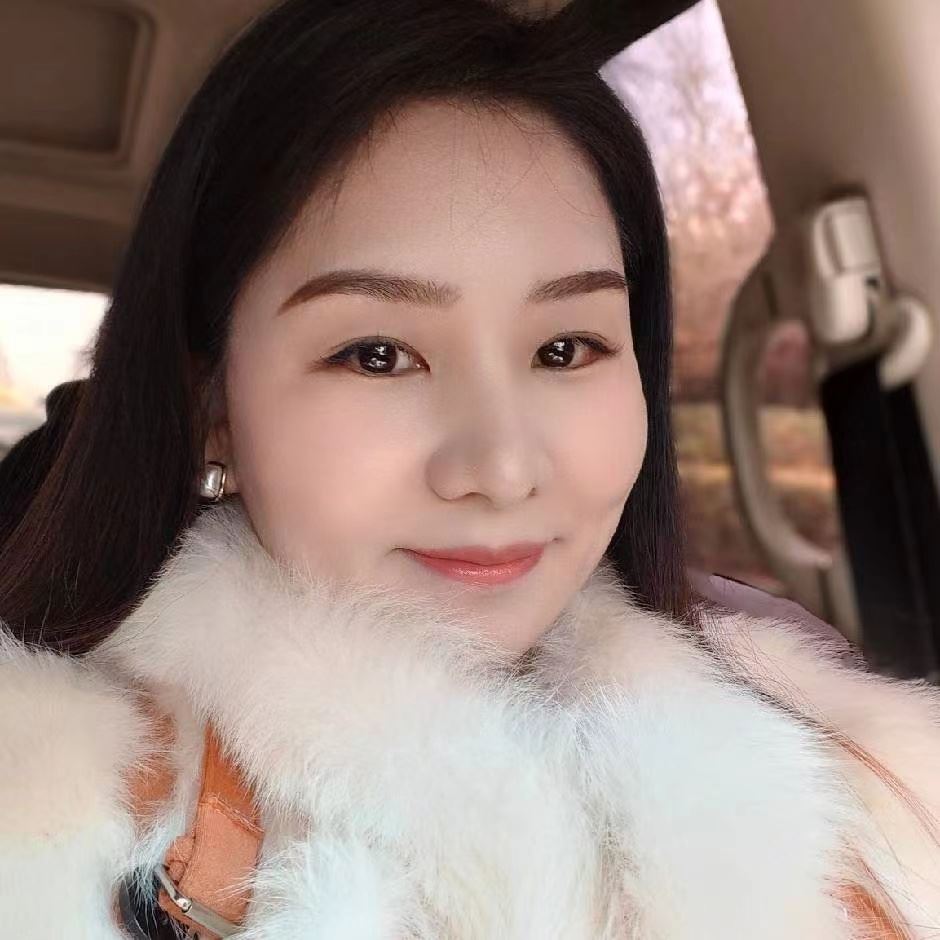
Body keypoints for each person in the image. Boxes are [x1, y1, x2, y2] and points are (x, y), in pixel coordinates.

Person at [1, 0, 938, 936]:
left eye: (566, 348)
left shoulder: (860, 782)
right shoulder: (50, 830)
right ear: (214, 410)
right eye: (377, 355)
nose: (502, 467)